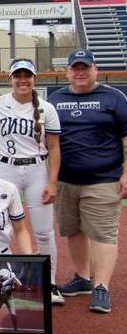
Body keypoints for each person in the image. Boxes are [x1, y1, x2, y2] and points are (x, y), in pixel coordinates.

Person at [47, 49, 127, 313]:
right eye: (75, 68)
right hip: (66, 180)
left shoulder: (114, 98)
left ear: (96, 69)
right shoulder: (56, 99)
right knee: (73, 230)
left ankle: (101, 286)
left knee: (103, 233)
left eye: (85, 68)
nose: (80, 72)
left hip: (102, 179)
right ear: (68, 71)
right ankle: (82, 277)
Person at [0, 58, 65, 304]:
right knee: (0, 226)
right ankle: (3, 279)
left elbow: (54, 148)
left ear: (34, 79)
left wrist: (52, 182)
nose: (23, 80)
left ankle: (49, 283)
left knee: (44, 231)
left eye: (27, 75)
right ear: (10, 79)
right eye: (18, 76)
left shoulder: (46, 109)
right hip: (6, 170)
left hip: (37, 169)